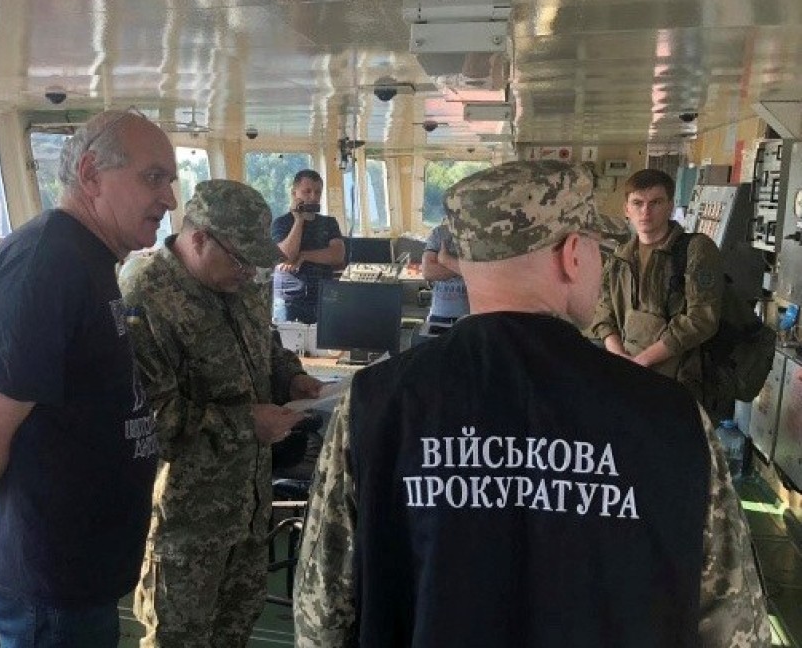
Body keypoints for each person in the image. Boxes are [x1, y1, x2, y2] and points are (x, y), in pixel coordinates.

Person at [293, 160, 769, 647]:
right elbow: (735, 626)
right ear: (572, 254)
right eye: (597, 249)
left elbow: (322, 613)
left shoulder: (373, 404)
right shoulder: (672, 416)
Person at [0, 109, 178, 648]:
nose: (171, 199)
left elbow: (15, 421)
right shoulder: (46, 267)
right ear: (90, 175)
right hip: (50, 586)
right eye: (154, 178)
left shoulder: (86, 260)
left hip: (76, 576)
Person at [120, 179, 324, 647]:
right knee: (178, 639)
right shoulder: (143, 293)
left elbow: (265, 345)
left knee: (235, 631)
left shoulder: (243, 280)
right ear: (198, 239)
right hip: (186, 525)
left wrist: (291, 377)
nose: (250, 272)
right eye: (239, 259)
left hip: (250, 508)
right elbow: (152, 421)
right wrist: (247, 422)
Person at [589, 168, 728, 418]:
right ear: (626, 209)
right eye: (638, 203)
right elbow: (603, 311)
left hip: (680, 386)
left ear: (670, 206)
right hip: (629, 381)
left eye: (655, 202)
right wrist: (619, 357)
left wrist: (642, 361)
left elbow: (702, 319)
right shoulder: (620, 258)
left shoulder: (696, 250)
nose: (645, 211)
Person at [272, 169, 345, 323]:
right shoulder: (281, 223)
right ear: (294, 194)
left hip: (323, 297)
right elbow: (287, 256)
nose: (313, 197)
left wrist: (304, 256)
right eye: (307, 191)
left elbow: (337, 255)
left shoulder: (329, 223)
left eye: (318, 192)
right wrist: (299, 220)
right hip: (289, 299)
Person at [421, 219, 470, 325]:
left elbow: (488, 273)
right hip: (439, 315)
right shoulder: (439, 233)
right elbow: (428, 272)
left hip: (473, 316)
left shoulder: (483, 235)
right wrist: (469, 269)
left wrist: (445, 261)